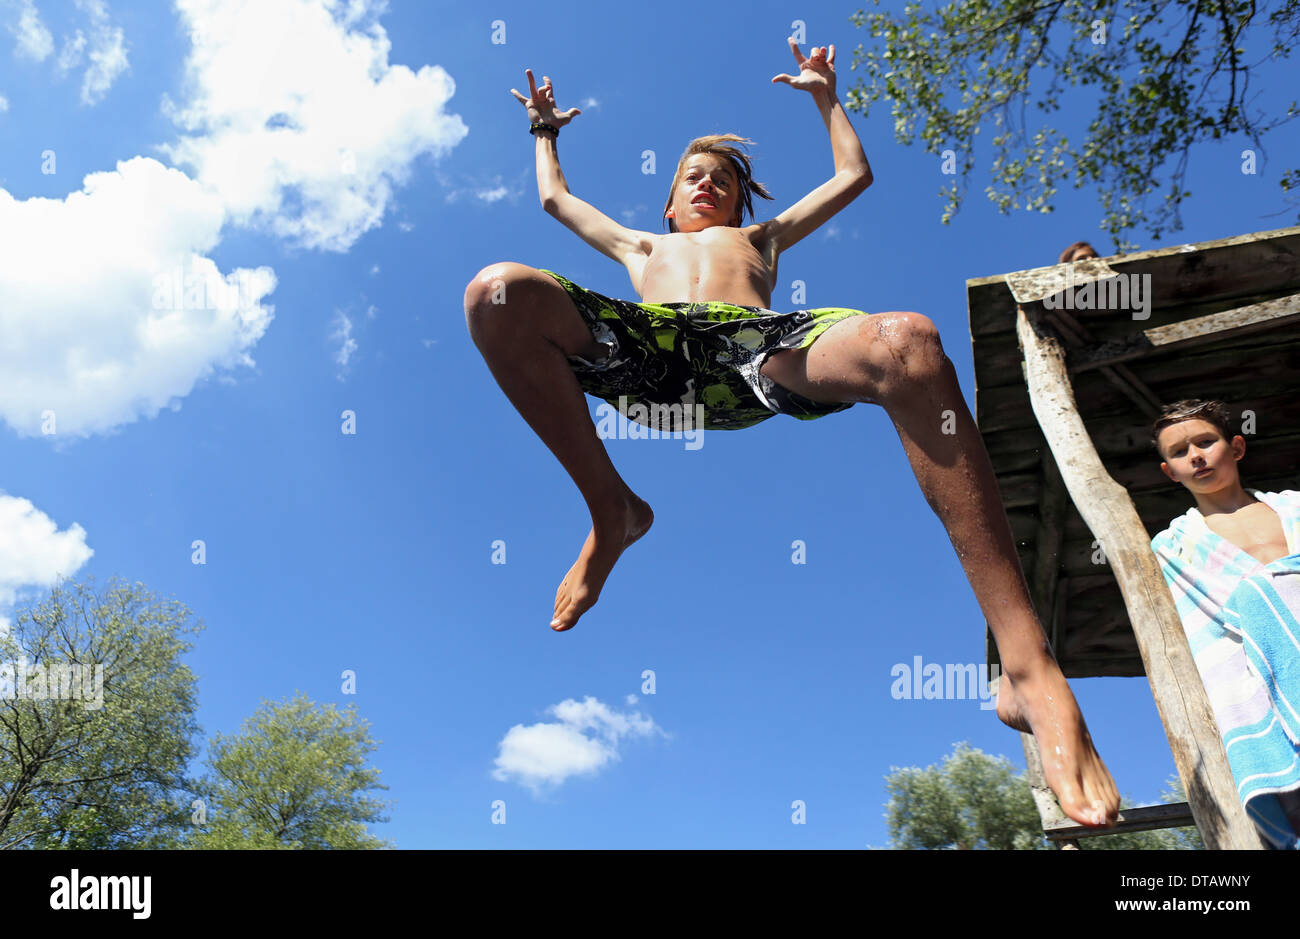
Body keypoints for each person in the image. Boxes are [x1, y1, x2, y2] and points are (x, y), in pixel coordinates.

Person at [464, 39, 1119, 828]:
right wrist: (544, 133)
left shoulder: (762, 240)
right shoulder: (642, 245)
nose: (709, 183)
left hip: (761, 356)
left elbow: (852, 177)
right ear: (669, 204)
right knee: (497, 292)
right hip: (650, 354)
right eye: (693, 178)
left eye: (726, 180)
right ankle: (613, 511)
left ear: (741, 205)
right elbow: (555, 203)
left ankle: (1028, 666)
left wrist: (824, 95)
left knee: (908, 340)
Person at [1150, 398, 1300, 848]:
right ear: (1169, 471)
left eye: (1205, 442)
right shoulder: (1174, 547)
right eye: (1179, 452)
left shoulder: (1294, 507)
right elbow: (1200, 629)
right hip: (1260, 702)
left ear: (1236, 447)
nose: (1195, 456)